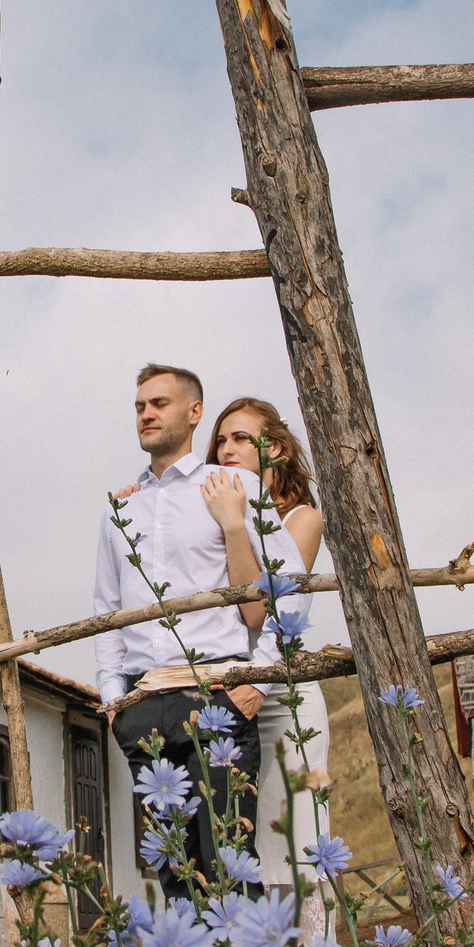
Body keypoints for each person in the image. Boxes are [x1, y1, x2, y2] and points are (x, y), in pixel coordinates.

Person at [93, 364, 270, 897]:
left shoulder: (236, 485)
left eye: (160, 403)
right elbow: (107, 608)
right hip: (143, 707)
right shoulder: (119, 508)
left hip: (217, 696)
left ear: (194, 413)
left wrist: (259, 680)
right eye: (140, 405)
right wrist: (112, 700)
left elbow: (287, 589)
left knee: (229, 867)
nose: (147, 413)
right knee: (176, 875)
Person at [206, 397, 336, 913]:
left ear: (275, 446)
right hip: (229, 685)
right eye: (220, 440)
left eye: (240, 437)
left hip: (284, 691)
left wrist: (261, 683)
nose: (227, 448)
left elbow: (283, 606)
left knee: (299, 834)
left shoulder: (302, 518)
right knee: (246, 838)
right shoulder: (212, 509)